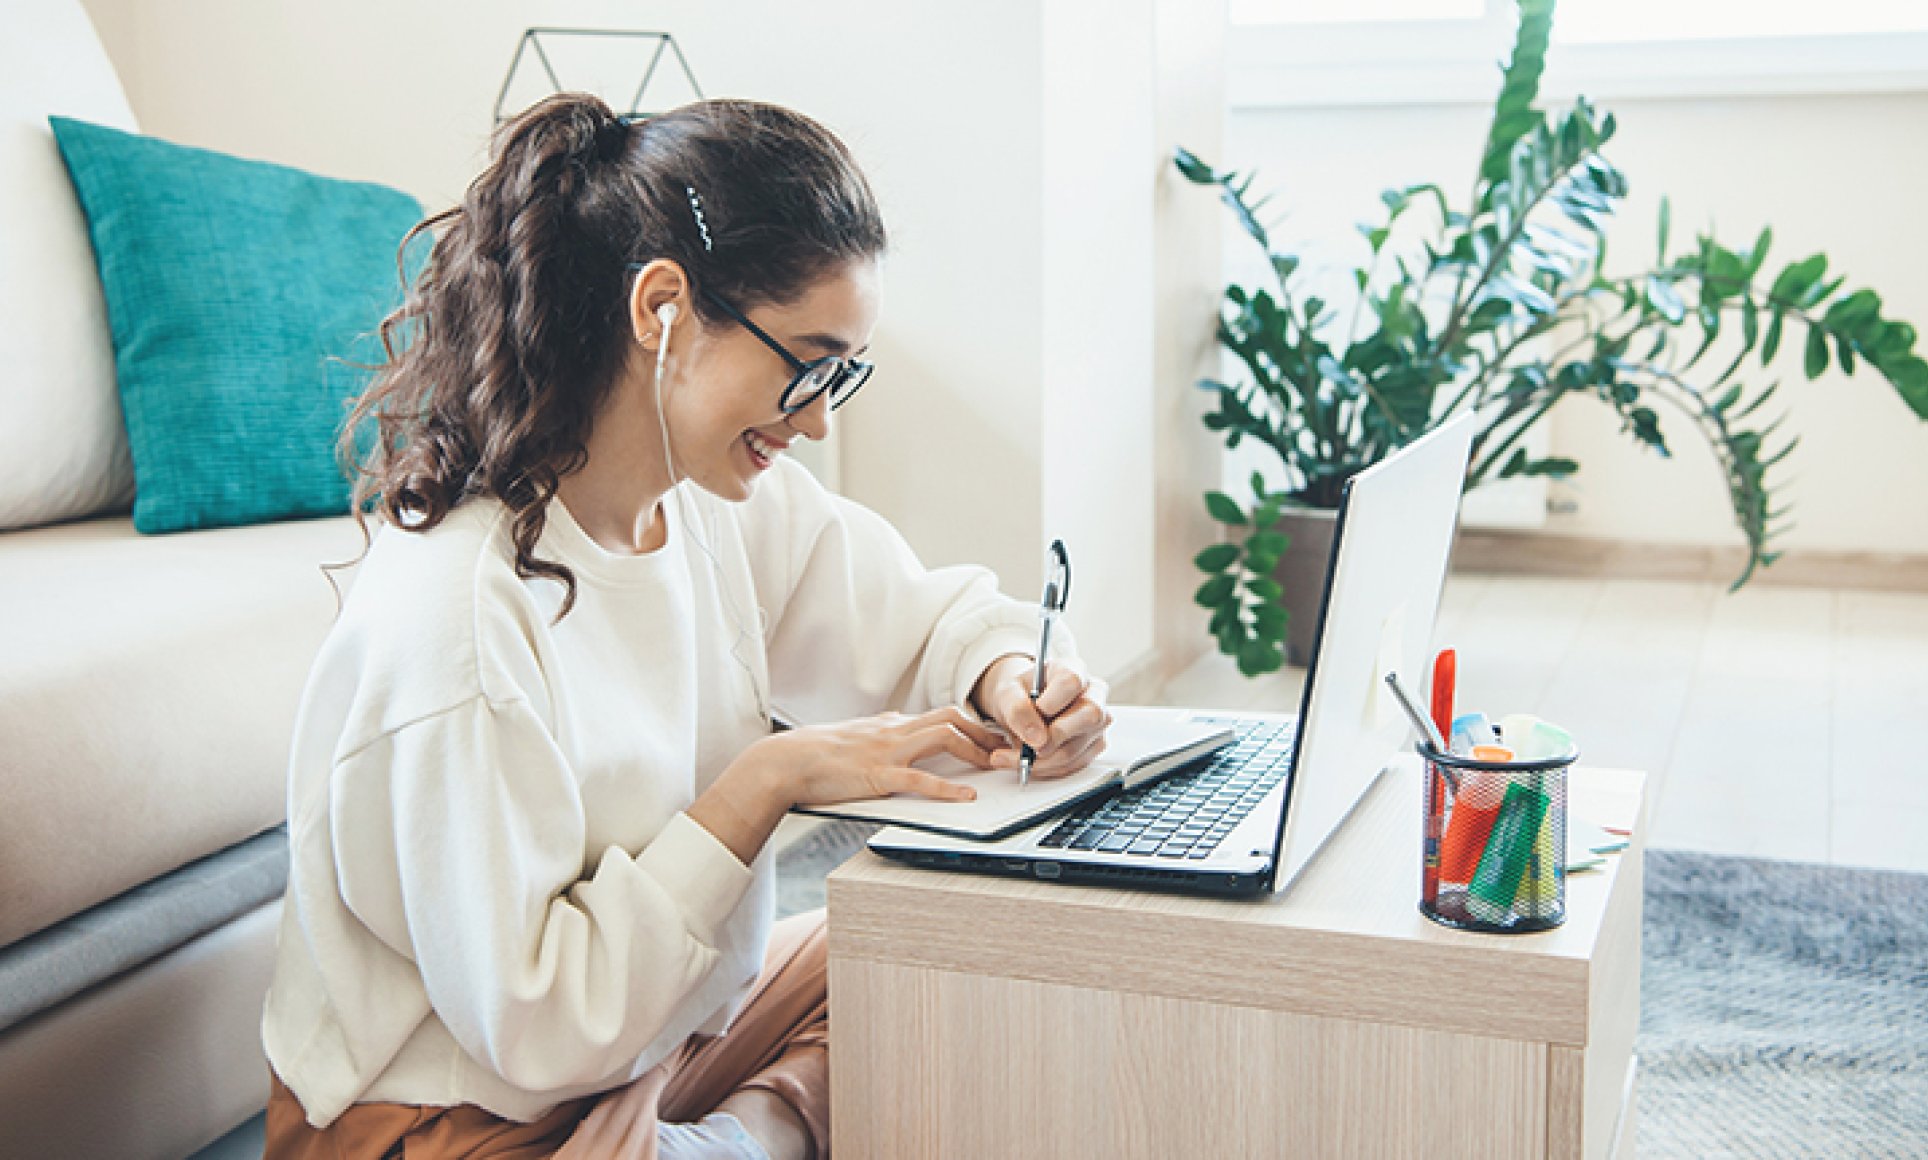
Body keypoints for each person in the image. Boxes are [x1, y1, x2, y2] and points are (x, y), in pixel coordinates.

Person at [259, 94, 1111, 1159]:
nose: (817, 417)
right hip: (453, 1115)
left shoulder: (705, 502)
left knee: (957, 955)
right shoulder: (461, 617)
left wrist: (1011, 674)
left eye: (843, 369)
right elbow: (540, 1028)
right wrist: (762, 784)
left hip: (643, 1047)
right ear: (660, 307)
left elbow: (928, 614)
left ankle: (731, 1134)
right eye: (805, 361)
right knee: (894, 1054)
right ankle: (744, 1134)